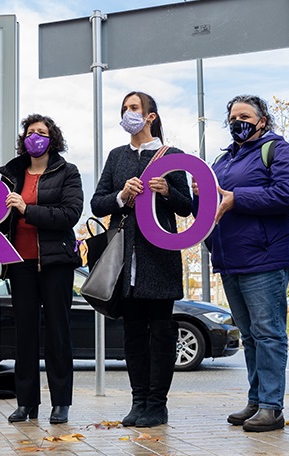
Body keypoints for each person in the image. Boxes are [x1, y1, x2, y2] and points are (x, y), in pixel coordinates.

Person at [195, 95, 289, 432]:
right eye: (232, 117)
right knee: (251, 336)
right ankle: (257, 401)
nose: (237, 121)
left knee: (269, 333)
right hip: (230, 258)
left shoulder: (277, 150)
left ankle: (272, 407)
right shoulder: (223, 160)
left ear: (262, 121)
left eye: (244, 115)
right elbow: (211, 202)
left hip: (266, 256)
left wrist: (237, 197)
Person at [90, 91, 192, 428]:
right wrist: (122, 195)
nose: (127, 114)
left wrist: (166, 191)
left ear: (150, 116)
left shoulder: (171, 155)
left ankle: (157, 404)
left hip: (159, 259)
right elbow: (98, 203)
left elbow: (187, 206)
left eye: (134, 108)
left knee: (161, 333)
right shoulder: (117, 156)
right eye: (124, 109)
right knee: (132, 333)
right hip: (124, 261)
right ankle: (138, 401)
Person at [0, 114, 83, 425]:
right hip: (19, 264)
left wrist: (28, 209)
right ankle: (26, 403)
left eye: (42, 132)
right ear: (23, 139)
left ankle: (61, 403)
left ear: (52, 138)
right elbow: (1, 221)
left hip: (56, 263)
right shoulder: (12, 175)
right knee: (25, 335)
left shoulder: (67, 172)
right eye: (30, 132)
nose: (35, 137)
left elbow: (69, 214)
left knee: (58, 332)